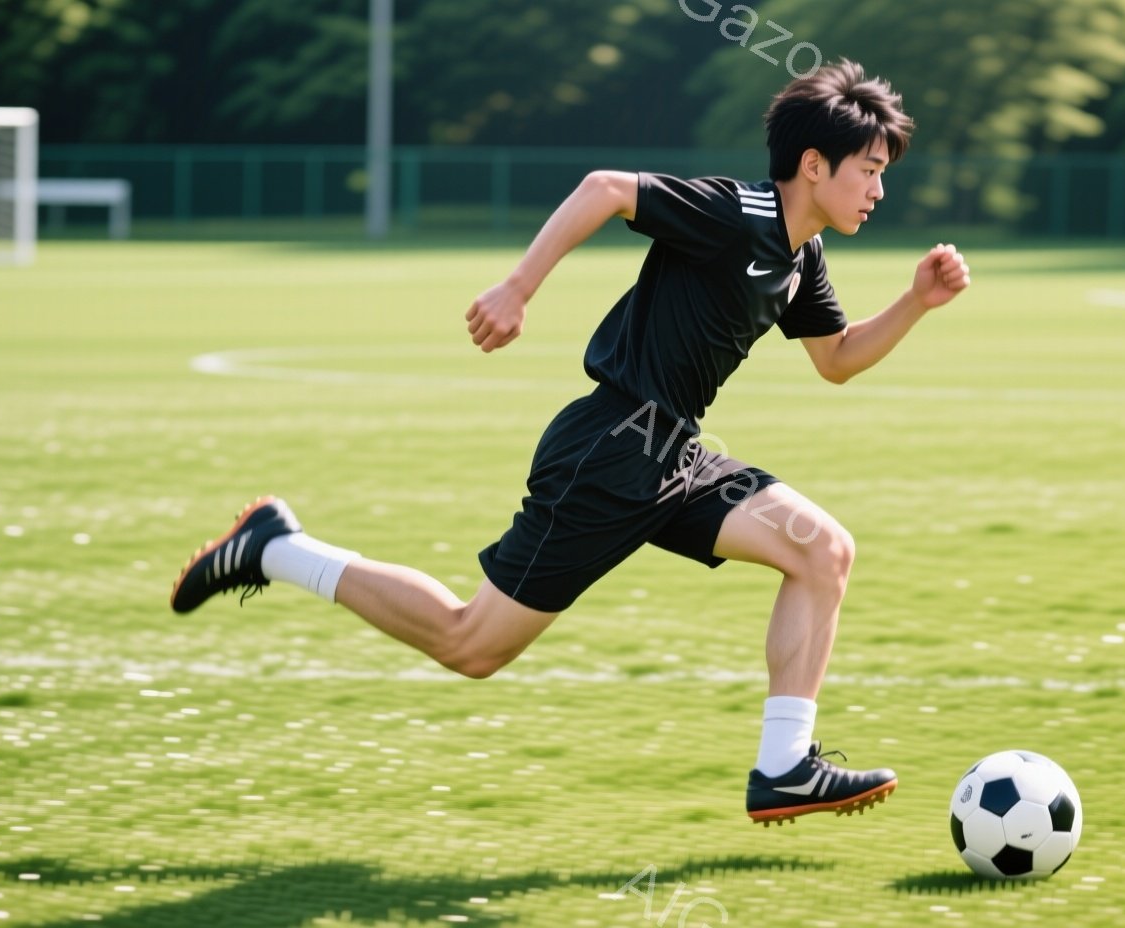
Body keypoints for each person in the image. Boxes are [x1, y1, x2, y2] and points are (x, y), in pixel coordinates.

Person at [170, 59, 971, 826]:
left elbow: (835, 360)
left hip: (674, 453)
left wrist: (914, 303)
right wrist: (517, 289)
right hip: (612, 448)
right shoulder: (738, 212)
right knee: (471, 643)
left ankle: (783, 768)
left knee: (823, 550)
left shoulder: (800, 255)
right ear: (813, 165)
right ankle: (276, 548)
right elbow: (606, 189)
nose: (879, 187)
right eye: (868, 168)